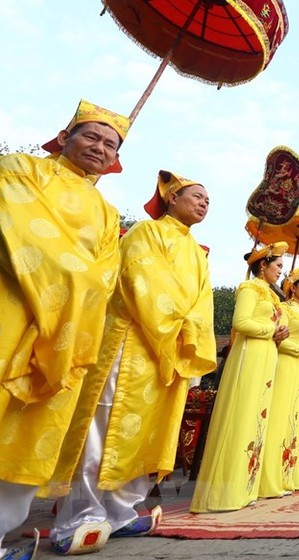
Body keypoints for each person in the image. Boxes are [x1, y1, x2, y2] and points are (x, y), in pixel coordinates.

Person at [49, 170, 216, 552]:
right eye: (197, 195)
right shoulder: (146, 232)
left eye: (208, 200)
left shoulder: (197, 252)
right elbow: (142, 281)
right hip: (132, 343)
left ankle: (121, 512)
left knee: (148, 432)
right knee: (103, 427)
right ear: (172, 197)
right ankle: (78, 517)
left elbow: (203, 302)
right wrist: (179, 326)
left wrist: (189, 336)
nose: (204, 203)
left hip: (171, 351)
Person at [0, 99, 127, 559]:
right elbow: (19, 230)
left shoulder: (107, 213)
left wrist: (77, 294)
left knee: (32, 430)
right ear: (64, 137)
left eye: (110, 144)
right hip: (13, 307)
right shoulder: (20, 168)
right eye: (91, 135)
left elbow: (106, 276)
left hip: (68, 331)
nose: (100, 147)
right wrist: (75, 280)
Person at [190, 241, 290, 513]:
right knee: (243, 414)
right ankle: (226, 492)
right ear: (263, 265)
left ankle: (246, 487)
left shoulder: (272, 296)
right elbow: (241, 322)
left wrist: (279, 334)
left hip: (267, 354)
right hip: (251, 354)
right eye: (278, 265)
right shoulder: (249, 288)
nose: (280, 271)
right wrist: (271, 330)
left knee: (257, 417)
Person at [258, 266, 299, 498]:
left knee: (295, 421)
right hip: (286, 364)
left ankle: (287, 477)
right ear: (292, 288)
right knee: (281, 418)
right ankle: (269, 479)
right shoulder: (284, 309)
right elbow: (281, 339)